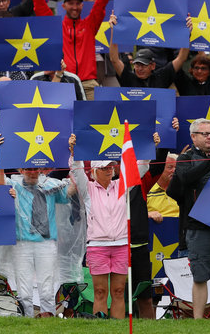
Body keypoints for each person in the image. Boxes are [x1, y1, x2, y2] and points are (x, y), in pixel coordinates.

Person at [68, 134, 152, 319]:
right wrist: (74, 152)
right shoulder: (87, 189)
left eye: (111, 167)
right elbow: (77, 170)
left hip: (121, 244)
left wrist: (149, 146)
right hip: (97, 245)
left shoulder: (122, 186)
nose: (109, 170)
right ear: (94, 171)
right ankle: (102, 328)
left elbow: (141, 168)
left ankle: (117, 328)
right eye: (104, 168)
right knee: (99, 291)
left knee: (119, 290)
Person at [0, 135, 70, 318]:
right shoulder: (14, 184)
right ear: (21, 169)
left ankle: (48, 320)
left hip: (46, 244)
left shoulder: (52, 184)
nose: (32, 172)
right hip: (22, 244)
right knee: (24, 291)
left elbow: (73, 192)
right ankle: (27, 321)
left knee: (46, 289)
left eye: (35, 168)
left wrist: (73, 157)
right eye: (28, 168)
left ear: (41, 169)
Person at [167, 119, 210, 319]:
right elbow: (186, 178)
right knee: (200, 276)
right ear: (193, 136)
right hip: (198, 225)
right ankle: (198, 321)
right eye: (204, 134)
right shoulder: (185, 157)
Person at [29, 0, 110, 100]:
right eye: (71, 3)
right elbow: (39, 5)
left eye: (78, 3)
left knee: (92, 121)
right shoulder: (55, 26)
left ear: (82, 6)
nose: (75, 6)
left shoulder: (90, 24)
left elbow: (101, 1)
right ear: (63, 6)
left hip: (88, 84)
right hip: (64, 82)